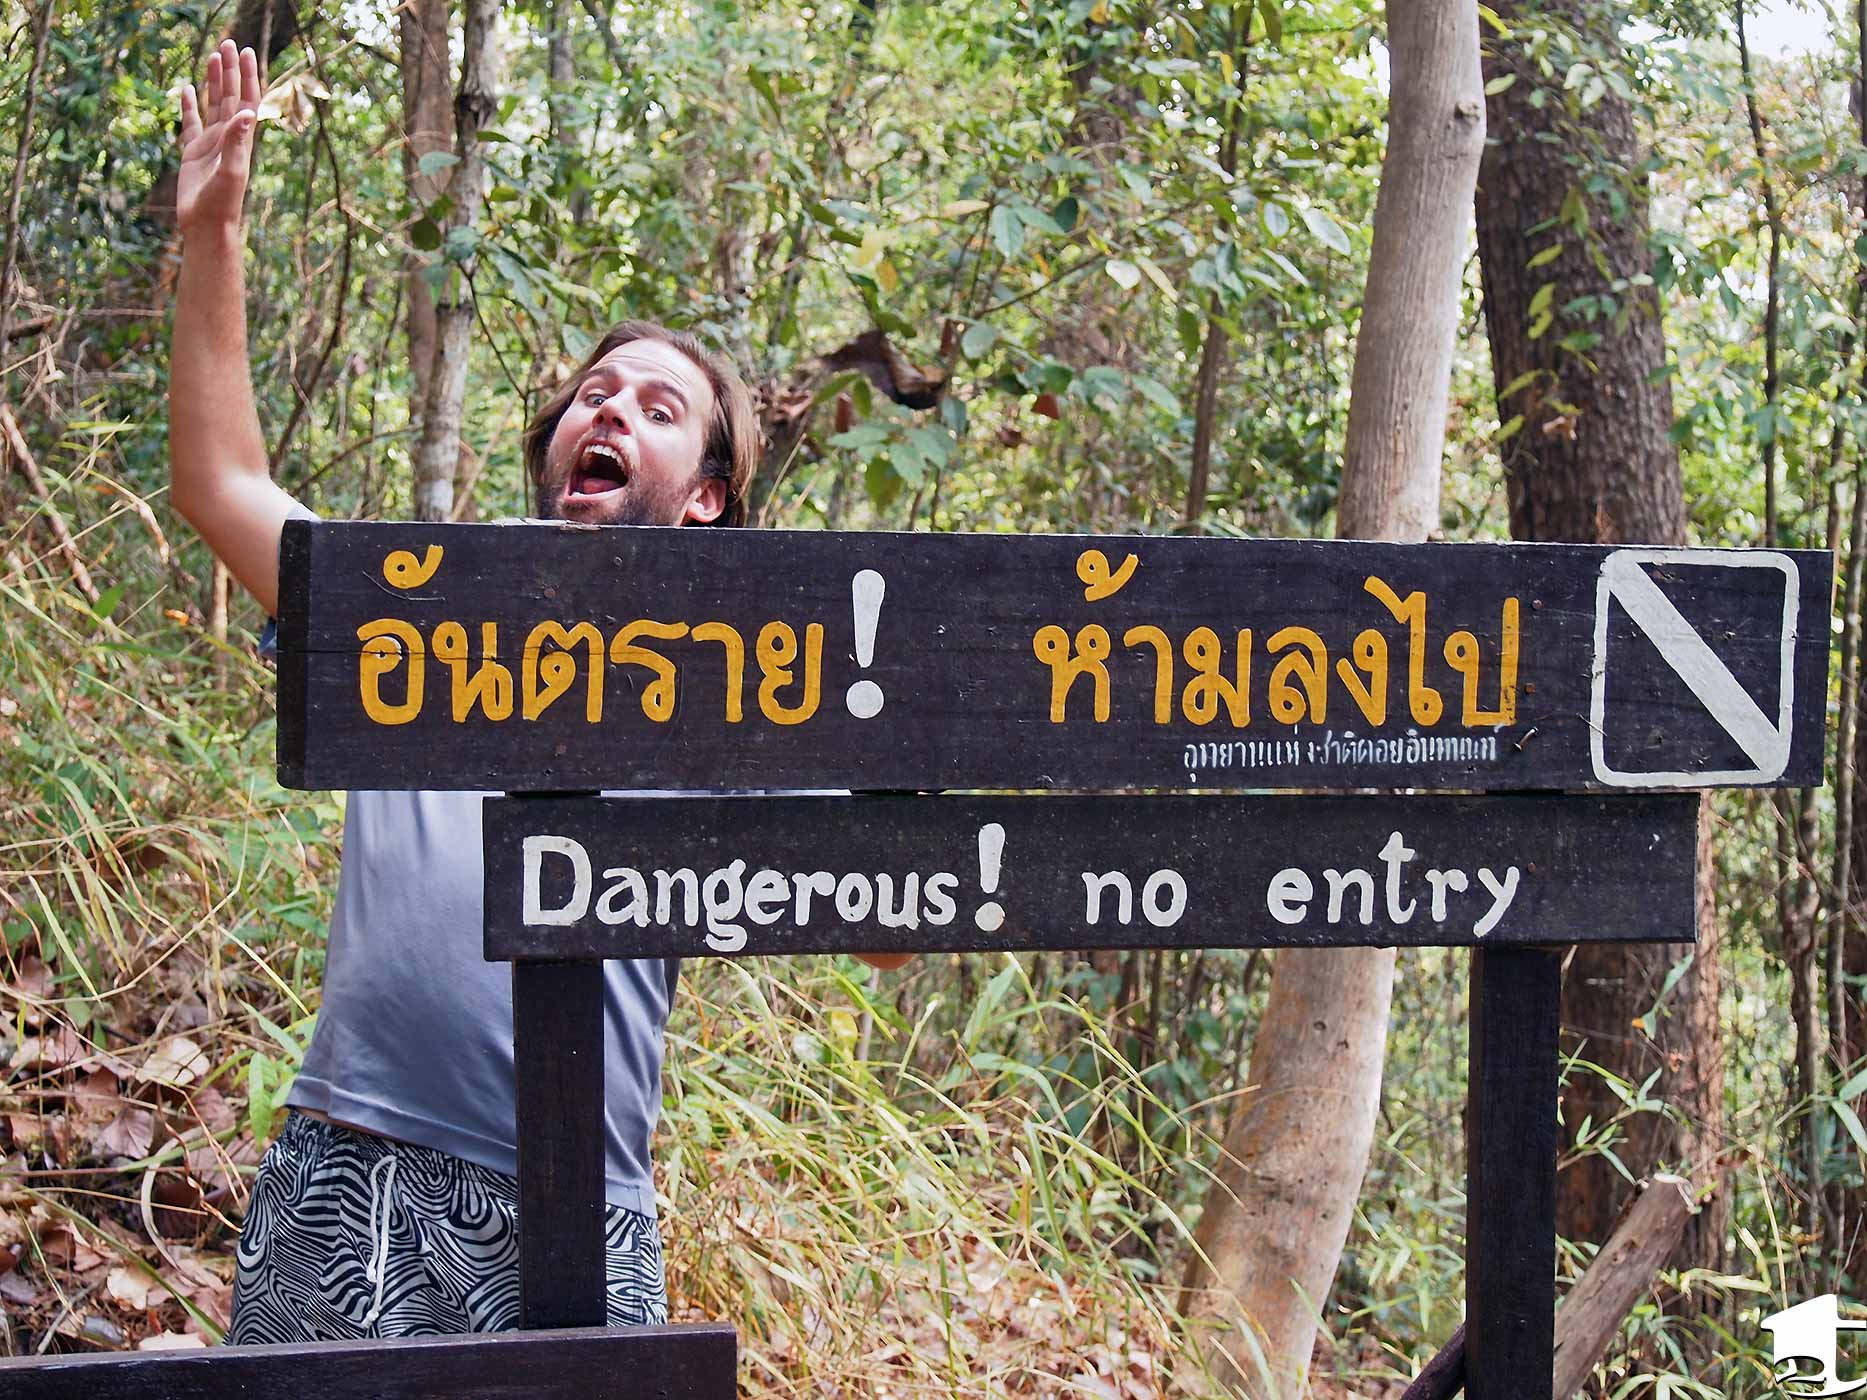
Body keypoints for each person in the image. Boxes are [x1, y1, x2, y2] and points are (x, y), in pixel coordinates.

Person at [169, 41, 910, 1343]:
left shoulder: (740, 690)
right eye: (594, 394)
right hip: (350, 1172)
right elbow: (221, 485)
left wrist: (912, 698)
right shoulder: (422, 614)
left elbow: (891, 924)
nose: (609, 411)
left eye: (658, 408)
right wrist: (215, 232)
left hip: (578, 1208)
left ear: (708, 497)